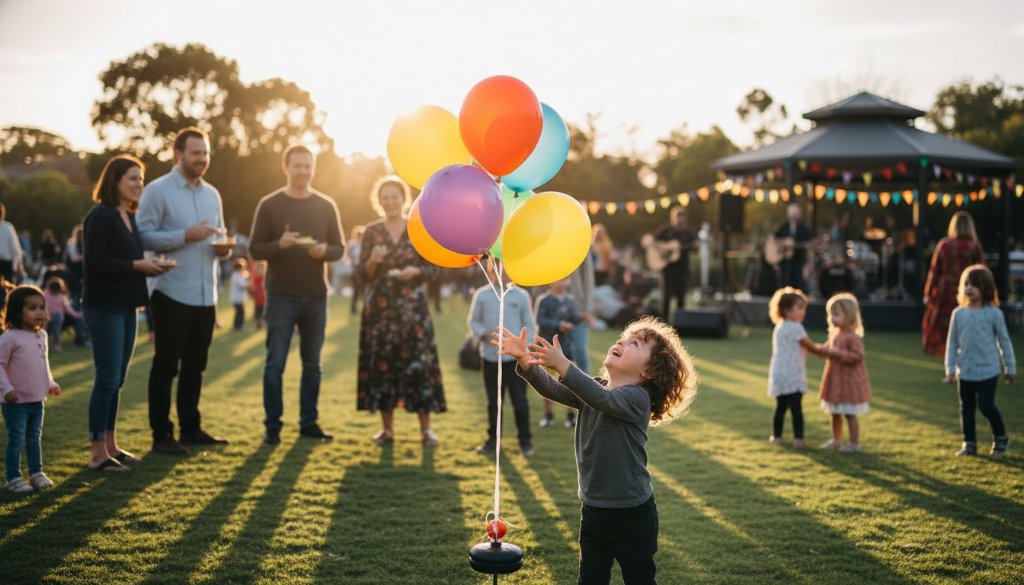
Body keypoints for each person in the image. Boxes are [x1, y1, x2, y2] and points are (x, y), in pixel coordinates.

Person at [497, 315, 698, 585]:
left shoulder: (638, 399)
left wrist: (564, 364)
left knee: (639, 580)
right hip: (593, 510)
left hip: (633, 515)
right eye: (623, 338)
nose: (622, 342)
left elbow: (601, 399)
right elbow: (554, 390)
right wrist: (525, 360)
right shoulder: (598, 387)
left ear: (648, 372)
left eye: (634, 344)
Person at [136, 126, 232, 454]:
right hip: (171, 292)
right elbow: (143, 236)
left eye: (205, 153)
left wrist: (224, 249)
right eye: (195, 154)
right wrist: (184, 235)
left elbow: (217, 239)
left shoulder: (213, 194)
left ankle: (191, 428)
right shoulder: (157, 190)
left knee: (196, 367)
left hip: (206, 296)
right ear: (178, 154)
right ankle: (161, 434)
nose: (202, 159)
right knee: (166, 366)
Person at [249, 144, 345, 444]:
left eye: (308, 165)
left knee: (312, 365)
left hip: (316, 295)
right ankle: (273, 427)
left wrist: (324, 251)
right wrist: (280, 244)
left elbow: (339, 248)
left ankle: (308, 423)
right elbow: (254, 249)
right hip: (280, 295)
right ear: (285, 168)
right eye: (297, 165)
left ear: (313, 168)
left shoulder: (326, 205)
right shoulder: (269, 204)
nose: (303, 171)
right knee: (275, 363)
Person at [82, 154, 166, 471]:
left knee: (117, 380)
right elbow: (95, 262)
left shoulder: (128, 217)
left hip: (128, 306)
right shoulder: (100, 215)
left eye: (141, 178)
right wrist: (136, 265)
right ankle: (96, 454)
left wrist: (149, 267)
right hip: (104, 307)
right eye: (132, 178)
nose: (138, 184)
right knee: (106, 379)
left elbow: (129, 264)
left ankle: (111, 446)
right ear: (114, 180)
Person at [356, 176, 445, 446]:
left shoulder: (418, 227)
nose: (390, 202)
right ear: (379, 201)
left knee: (418, 365)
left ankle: (426, 430)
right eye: (385, 198)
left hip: (413, 311)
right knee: (383, 365)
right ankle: (388, 429)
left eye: (394, 197)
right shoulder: (371, 233)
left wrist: (415, 271)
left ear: (403, 198)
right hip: (381, 312)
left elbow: (434, 267)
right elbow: (362, 275)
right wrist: (373, 261)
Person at [945, 265, 1015, 457]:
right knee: (966, 409)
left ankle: (1001, 437)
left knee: (986, 405)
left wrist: (1010, 367)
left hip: (988, 371)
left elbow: (1004, 342)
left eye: (974, 285)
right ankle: (969, 444)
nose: (969, 288)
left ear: (985, 288)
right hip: (965, 371)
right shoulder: (958, 314)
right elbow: (952, 343)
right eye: (966, 284)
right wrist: (950, 368)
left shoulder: (994, 314)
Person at [468, 261, 536, 456]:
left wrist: (524, 347)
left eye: (506, 271)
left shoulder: (521, 296)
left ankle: (525, 442)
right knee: (493, 401)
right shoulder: (482, 295)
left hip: (515, 360)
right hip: (490, 358)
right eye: (497, 271)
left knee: (520, 401)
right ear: (489, 272)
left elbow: (529, 325)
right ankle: (493, 441)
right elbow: (473, 321)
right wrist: (483, 334)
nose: (502, 275)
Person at [0, 285, 61, 493]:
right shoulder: (9, 338)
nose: (39, 312)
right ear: (17, 311)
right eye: (32, 308)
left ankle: (36, 474)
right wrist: (6, 388)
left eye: (41, 307)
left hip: (37, 400)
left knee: (34, 437)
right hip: (15, 401)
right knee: (16, 439)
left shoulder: (42, 336)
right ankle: (13, 478)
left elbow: (43, 364)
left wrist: (50, 383)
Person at [922, 211, 984, 358]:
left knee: (946, 330)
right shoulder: (974, 246)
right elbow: (982, 272)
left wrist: (928, 293)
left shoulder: (944, 245)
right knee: (965, 327)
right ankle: (962, 361)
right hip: (967, 292)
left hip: (945, 293)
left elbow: (934, 271)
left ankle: (949, 366)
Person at [816, 293, 871, 452]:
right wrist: (820, 349)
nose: (832, 318)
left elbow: (858, 356)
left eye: (836, 314)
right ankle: (836, 440)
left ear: (849, 315)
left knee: (849, 413)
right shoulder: (835, 334)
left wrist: (836, 354)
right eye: (830, 314)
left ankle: (854, 443)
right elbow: (829, 350)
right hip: (835, 381)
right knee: (835, 412)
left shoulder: (852, 337)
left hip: (848, 382)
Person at [767, 287, 821, 447]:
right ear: (786, 309)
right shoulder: (796, 328)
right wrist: (827, 351)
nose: (803, 311)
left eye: (803, 308)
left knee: (781, 407)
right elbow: (810, 346)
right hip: (792, 374)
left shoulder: (780, 326)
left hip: (778, 373)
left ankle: (777, 437)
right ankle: (799, 439)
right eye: (799, 308)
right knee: (796, 408)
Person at [535, 276, 582, 429]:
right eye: (559, 280)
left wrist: (582, 318)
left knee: (571, 383)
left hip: (567, 348)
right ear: (550, 282)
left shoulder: (569, 300)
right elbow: (540, 320)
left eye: (566, 279)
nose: (562, 283)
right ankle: (548, 415)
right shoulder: (544, 300)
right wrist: (559, 324)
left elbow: (574, 319)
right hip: (548, 349)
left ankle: (571, 417)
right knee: (547, 382)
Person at [654, 206, 696, 319]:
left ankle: (680, 321)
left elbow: (694, 248)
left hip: (682, 268)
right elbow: (652, 241)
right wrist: (663, 249)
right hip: (668, 268)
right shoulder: (666, 230)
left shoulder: (688, 233)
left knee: (681, 296)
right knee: (666, 295)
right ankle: (663, 321)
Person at [772, 203, 813, 291]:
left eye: (796, 213)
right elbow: (773, 238)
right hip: (784, 262)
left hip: (798, 261)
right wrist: (781, 245)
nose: (794, 215)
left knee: (798, 285)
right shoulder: (783, 226)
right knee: (784, 284)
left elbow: (809, 243)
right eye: (792, 213)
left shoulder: (804, 228)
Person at [42, 276, 81, 352]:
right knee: (56, 331)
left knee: (44, 331)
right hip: (56, 316)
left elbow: (44, 306)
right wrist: (77, 315)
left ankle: (44, 346)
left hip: (47, 316)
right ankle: (57, 345)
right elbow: (68, 309)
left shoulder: (44, 294)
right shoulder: (61, 296)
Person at [0, 204, 25, 282]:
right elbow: (16, 250)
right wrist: (15, 268)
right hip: (6, 266)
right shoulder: (8, 228)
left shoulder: (8, 227)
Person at [229, 259, 249, 331]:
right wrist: (248, 285)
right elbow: (242, 285)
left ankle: (236, 325)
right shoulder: (236, 276)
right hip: (237, 298)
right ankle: (239, 325)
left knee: (238, 312)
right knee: (240, 312)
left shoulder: (238, 275)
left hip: (238, 298)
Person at [249, 261, 266, 329]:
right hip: (258, 299)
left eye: (261, 269)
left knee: (263, 312)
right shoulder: (255, 279)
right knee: (258, 312)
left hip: (264, 299)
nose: (259, 270)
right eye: (258, 269)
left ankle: (261, 322)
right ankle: (258, 323)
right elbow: (253, 288)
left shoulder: (265, 278)